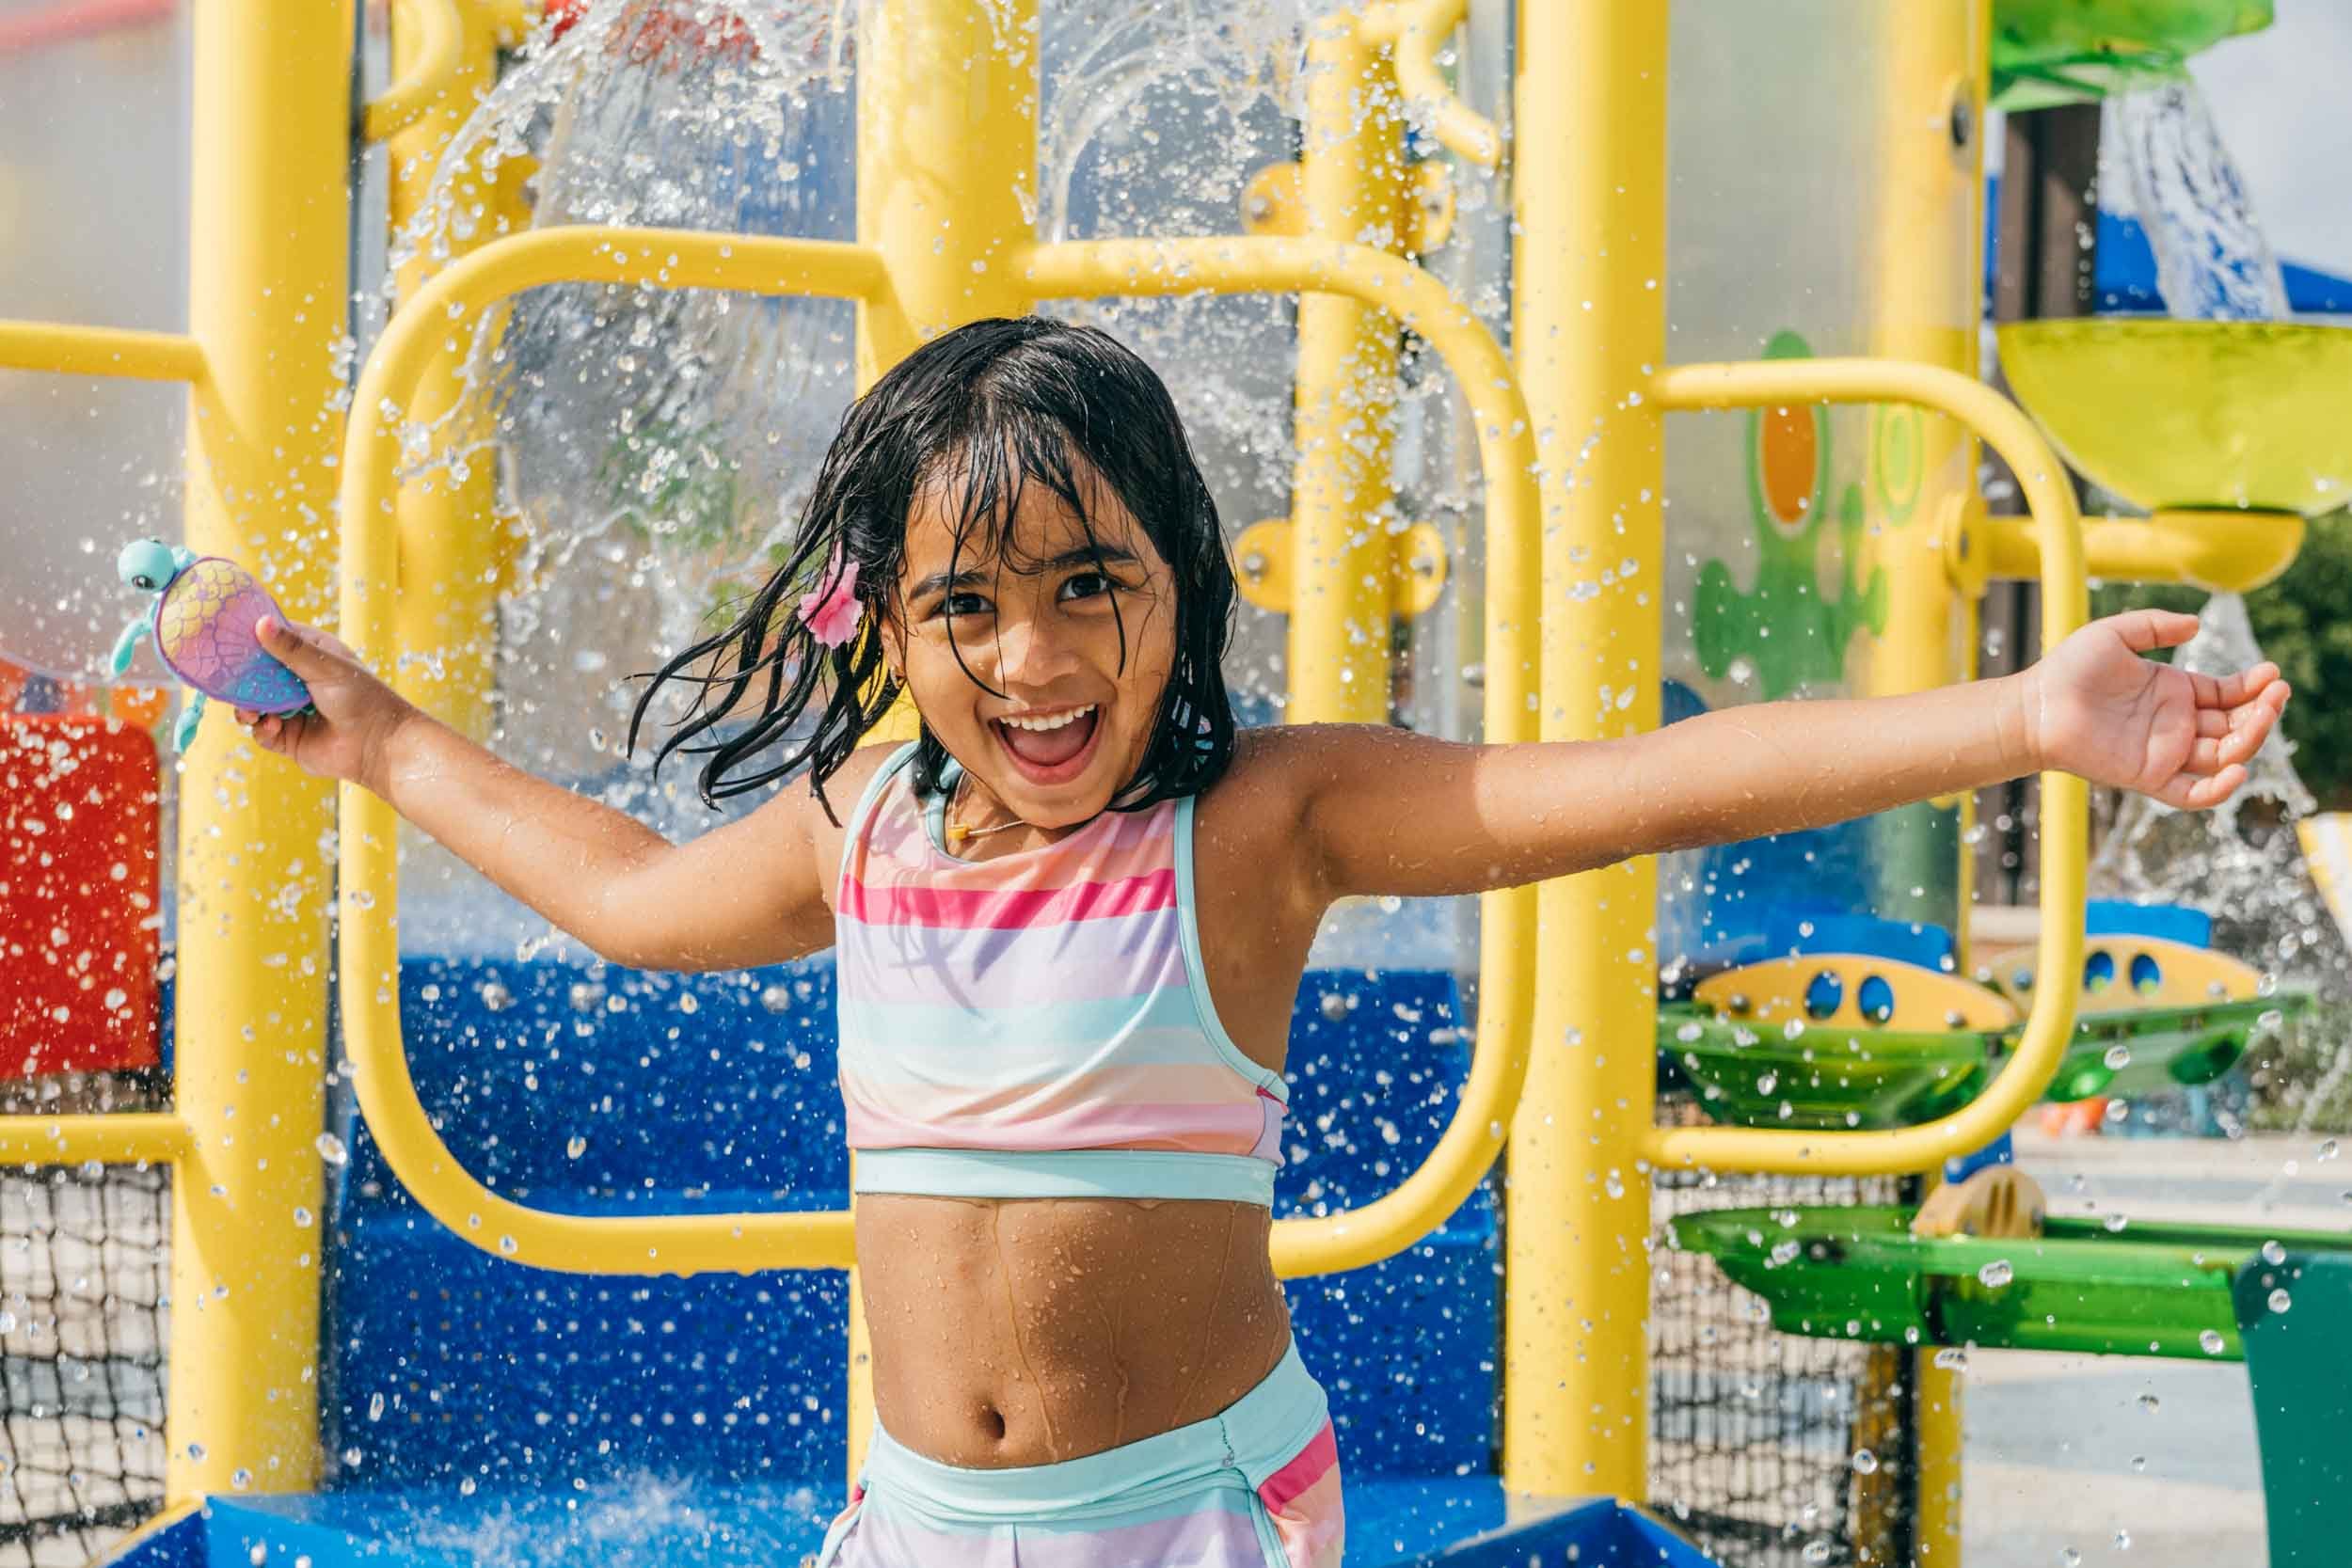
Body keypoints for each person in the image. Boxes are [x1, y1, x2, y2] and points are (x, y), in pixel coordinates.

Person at [237, 317, 2288, 1568]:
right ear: (881, 619)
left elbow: (1661, 779)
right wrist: (385, 735)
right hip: (919, 1527)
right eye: (964, 607)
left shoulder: (1254, 827)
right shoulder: (862, 824)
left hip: (1191, 1521)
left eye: (1084, 585)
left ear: (1178, 582)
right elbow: (619, 895)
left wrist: (2020, 720)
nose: (1032, 660)